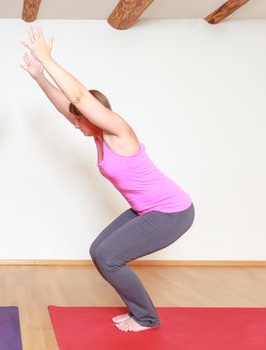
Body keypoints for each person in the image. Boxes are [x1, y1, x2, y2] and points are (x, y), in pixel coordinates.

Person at [22, 25, 194, 332]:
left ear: (95, 113)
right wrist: (39, 77)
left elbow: (78, 96)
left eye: (80, 118)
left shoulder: (117, 130)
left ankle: (146, 318)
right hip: (148, 210)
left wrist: (47, 58)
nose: (75, 124)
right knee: (99, 252)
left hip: (172, 212)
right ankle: (137, 311)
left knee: (108, 256)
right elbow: (69, 105)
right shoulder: (97, 135)